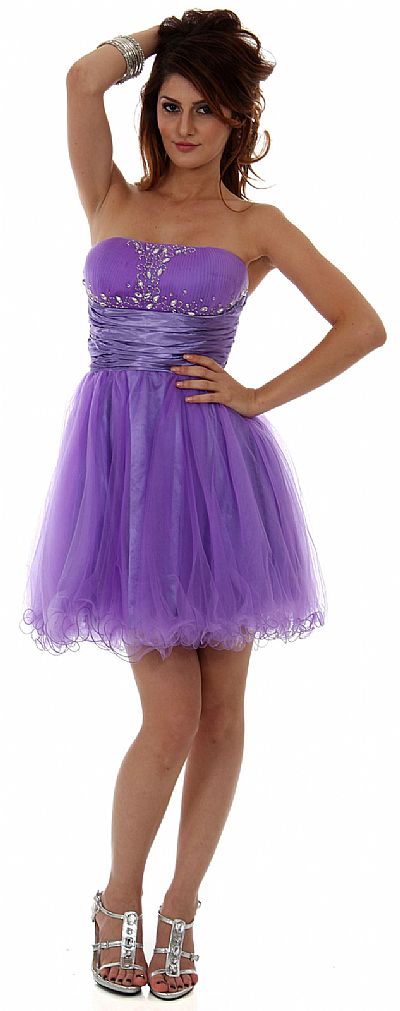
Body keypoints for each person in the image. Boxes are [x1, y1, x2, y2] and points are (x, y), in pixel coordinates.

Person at [20, 8, 386, 1001]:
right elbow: (77, 79)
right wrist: (172, 33)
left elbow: (362, 325)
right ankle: (117, 899)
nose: (184, 127)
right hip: (118, 479)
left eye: (207, 110)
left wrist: (258, 396)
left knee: (221, 712)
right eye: (172, 106)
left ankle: (180, 909)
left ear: (237, 121)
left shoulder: (256, 228)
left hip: (216, 477)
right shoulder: (108, 195)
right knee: (170, 713)